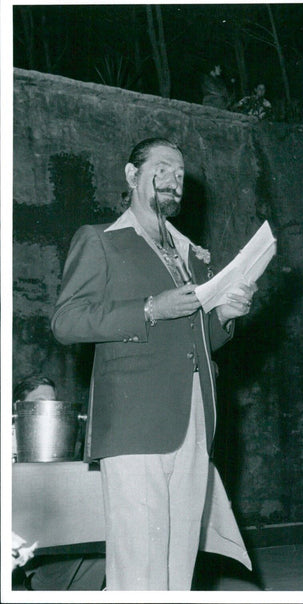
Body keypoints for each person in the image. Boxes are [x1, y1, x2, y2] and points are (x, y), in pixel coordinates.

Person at [51, 137, 257, 590]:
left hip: (195, 419)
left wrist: (223, 316)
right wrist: (147, 309)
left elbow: (193, 341)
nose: (173, 181)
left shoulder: (190, 256)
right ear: (131, 175)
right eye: (162, 169)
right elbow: (65, 322)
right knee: (139, 566)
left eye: (180, 175)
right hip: (134, 423)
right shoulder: (100, 241)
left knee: (179, 563)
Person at [12, 375, 107, 590]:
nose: (51, 411)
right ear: (18, 409)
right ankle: (33, 588)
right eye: (41, 403)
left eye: (54, 403)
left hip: (56, 532)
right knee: (69, 551)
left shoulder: (62, 450)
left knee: (99, 548)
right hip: (27, 537)